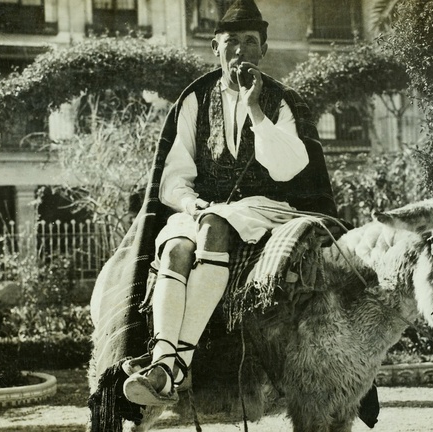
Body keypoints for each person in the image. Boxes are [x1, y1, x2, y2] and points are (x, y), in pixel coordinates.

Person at [122, 0, 337, 406]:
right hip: (202, 207)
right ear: (214, 48)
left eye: (250, 42)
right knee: (176, 247)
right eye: (231, 41)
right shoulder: (194, 101)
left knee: (214, 227)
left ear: (264, 50)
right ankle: (164, 363)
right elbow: (174, 176)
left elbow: (288, 169)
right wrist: (189, 204)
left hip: (266, 207)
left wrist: (255, 108)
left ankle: (174, 366)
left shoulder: (280, 101)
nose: (240, 50)